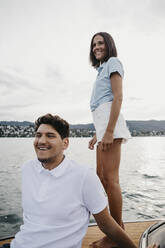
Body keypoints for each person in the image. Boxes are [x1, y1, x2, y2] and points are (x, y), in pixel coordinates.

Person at [8, 113, 136, 248]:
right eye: (38, 135)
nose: (41, 141)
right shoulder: (27, 169)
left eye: (50, 136)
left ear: (65, 143)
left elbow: (107, 225)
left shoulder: (84, 177)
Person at [88, 32, 131, 246]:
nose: (97, 47)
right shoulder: (100, 70)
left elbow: (118, 96)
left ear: (109, 44)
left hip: (110, 127)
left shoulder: (113, 62)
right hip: (103, 125)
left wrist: (109, 131)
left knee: (111, 181)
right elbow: (101, 107)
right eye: (94, 44)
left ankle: (116, 233)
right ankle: (115, 229)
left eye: (101, 42)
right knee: (101, 178)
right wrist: (98, 133)